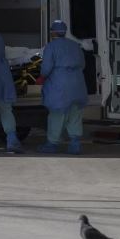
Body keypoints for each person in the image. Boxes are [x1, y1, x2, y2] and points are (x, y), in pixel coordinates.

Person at [36, 20, 88, 154]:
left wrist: (41, 77)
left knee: (57, 114)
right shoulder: (76, 46)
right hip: (77, 83)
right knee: (75, 113)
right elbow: (83, 64)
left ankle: (52, 144)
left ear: (52, 32)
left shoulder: (51, 47)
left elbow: (46, 69)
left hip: (60, 84)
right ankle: (75, 144)